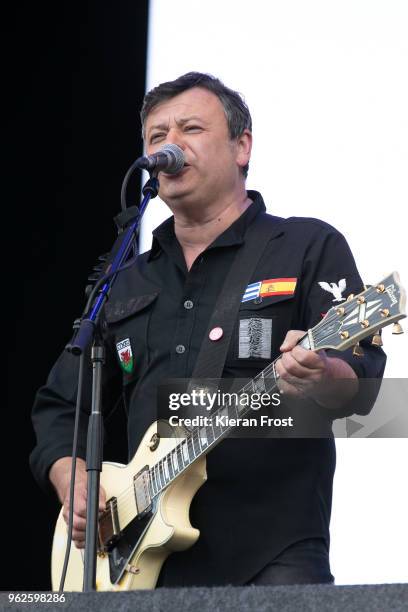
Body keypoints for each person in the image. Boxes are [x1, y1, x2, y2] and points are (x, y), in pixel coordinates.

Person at [30, 72, 386, 587]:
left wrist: (324, 372)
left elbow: (365, 382)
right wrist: (70, 477)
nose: (169, 145)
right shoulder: (125, 280)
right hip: (144, 560)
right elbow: (62, 405)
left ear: (242, 146)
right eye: (156, 137)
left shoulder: (306, 245)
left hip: (274, 552)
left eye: (190, 128)